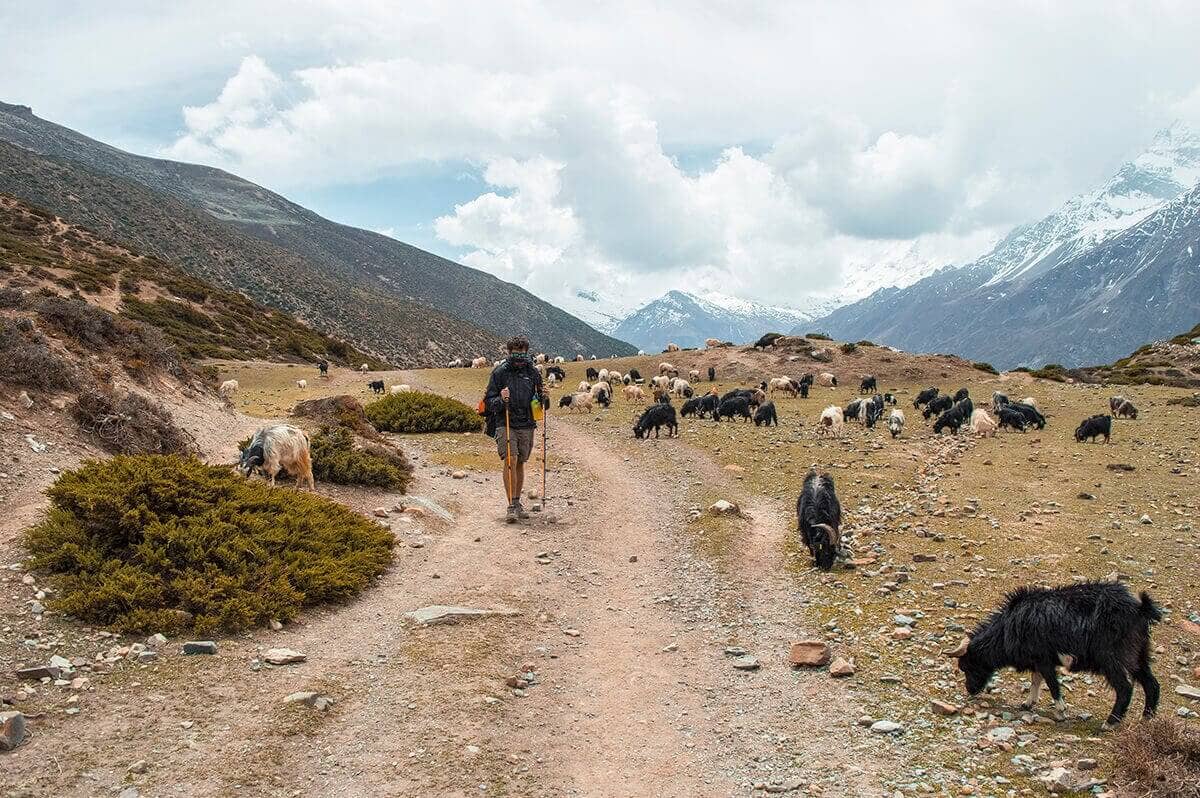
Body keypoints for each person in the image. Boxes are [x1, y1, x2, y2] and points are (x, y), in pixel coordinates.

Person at [484, 336, 547, 523]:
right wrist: (501, 399)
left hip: (526, 423)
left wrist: (544, 397)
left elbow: (541, 403)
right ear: (509, 352)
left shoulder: (533, 372)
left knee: (520, 461)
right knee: (510, 460)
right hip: (506, 421)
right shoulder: (500, 372)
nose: (519, 356)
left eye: (522, 352)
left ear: (527, 352)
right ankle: (511, 505)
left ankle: (518, 501)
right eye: (515, 352)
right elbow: (488, 402)